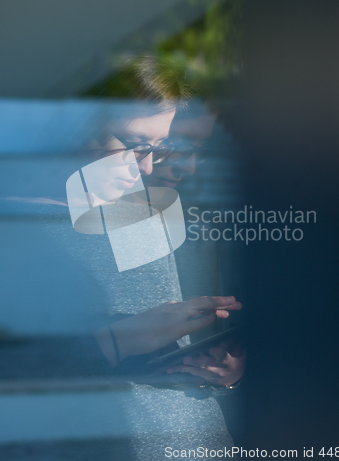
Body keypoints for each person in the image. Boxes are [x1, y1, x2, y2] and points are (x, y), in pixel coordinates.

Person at [61, 55, 244, 459]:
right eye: (136, 146)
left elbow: (159, 343)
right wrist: (114, 342)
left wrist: (223, 368)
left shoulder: (138, 213)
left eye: (156, 149)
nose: (145, 166)